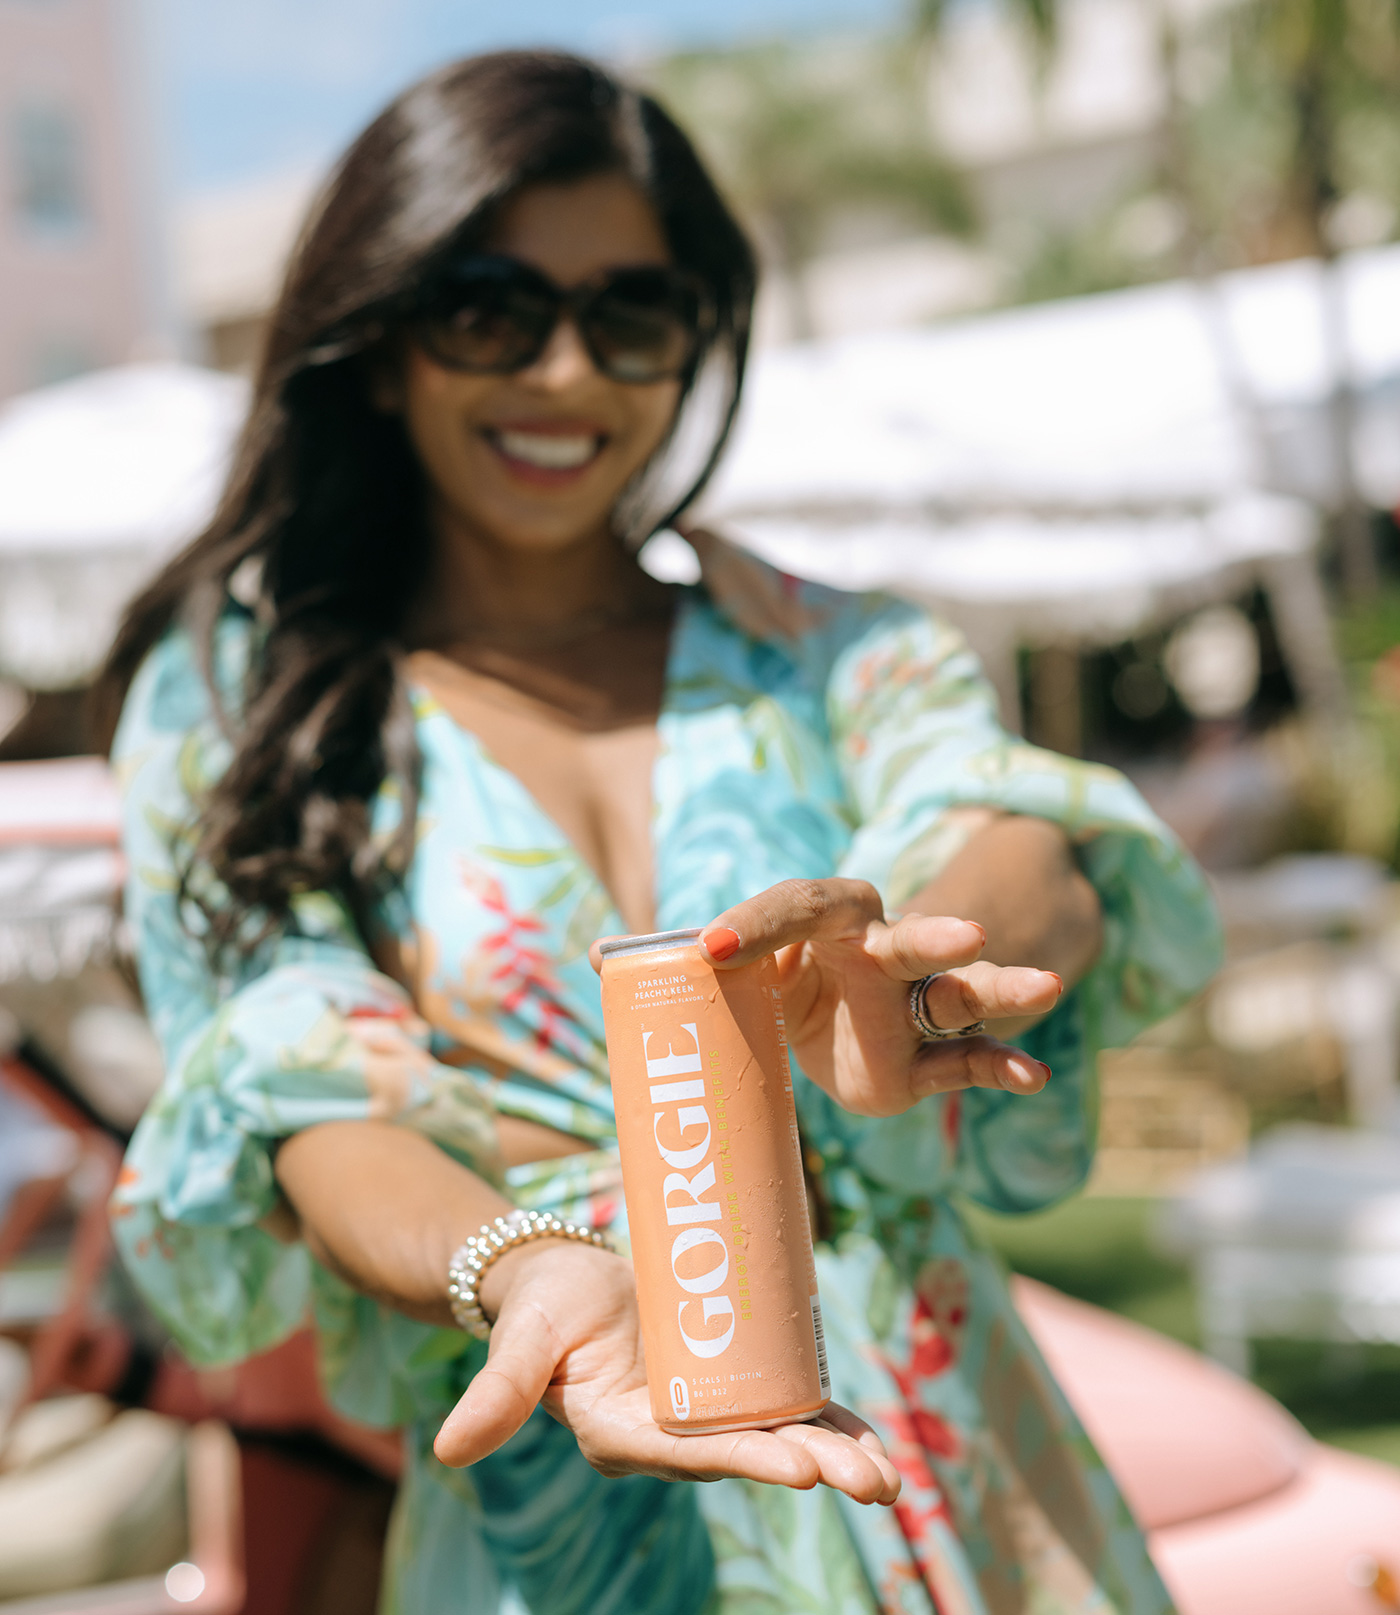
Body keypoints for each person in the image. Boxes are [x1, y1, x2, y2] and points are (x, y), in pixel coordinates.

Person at [100, 51, 1221, 1615]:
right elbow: (304, 1106)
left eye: (632, 314)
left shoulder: (831, 649)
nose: (566, 373)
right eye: (489, 308)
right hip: (568, 1484)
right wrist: (527, 1264)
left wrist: (918, 972)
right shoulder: (250, 704)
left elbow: (1018, 836)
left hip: (952, 1472)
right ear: (378, 341)